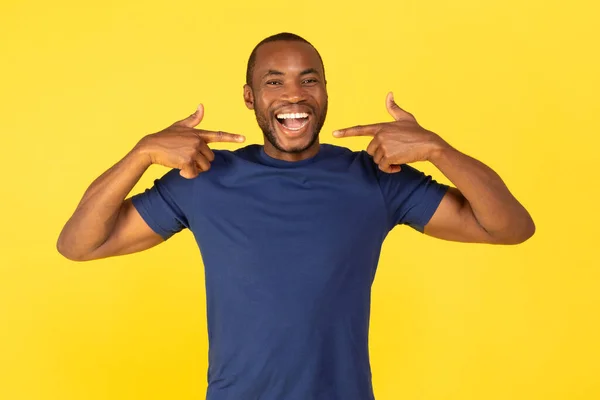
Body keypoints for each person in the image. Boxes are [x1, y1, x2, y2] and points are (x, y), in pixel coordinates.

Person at [57, 32, 535, 400]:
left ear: (325, 91)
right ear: (249, 97)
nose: (294, 95)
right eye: (274, 82)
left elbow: (510, 227)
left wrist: (437, 149)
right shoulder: (202, 178)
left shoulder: (377, 178)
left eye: (309, 79)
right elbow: (79, 244)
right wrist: (139, 154)